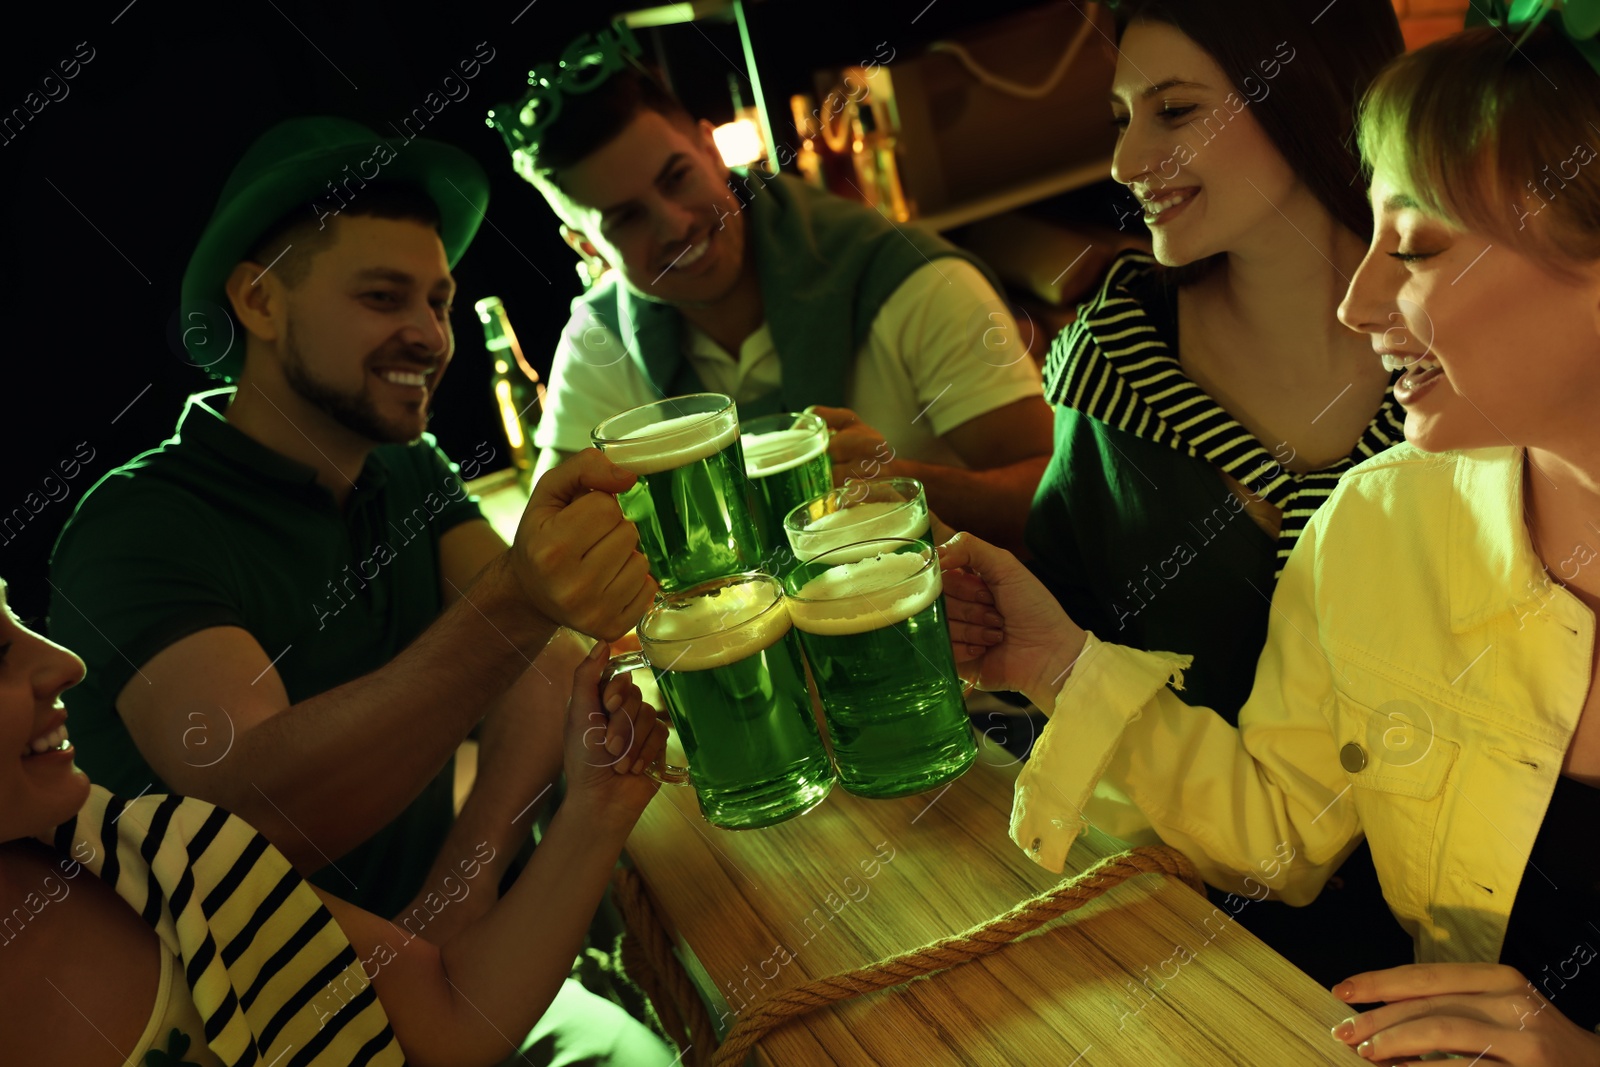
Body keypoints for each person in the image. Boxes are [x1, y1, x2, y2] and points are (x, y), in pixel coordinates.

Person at [942, 15, 1600, 1063]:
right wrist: (1054, 662)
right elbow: (1282, 826)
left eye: (1417, 246)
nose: (1358, 297)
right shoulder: (1378, 522)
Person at [47, 118, 655, 946]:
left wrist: (447, 917)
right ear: (258, 300)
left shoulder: (404, 471)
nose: (431, 336)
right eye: (382, 297)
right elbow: (261, 812)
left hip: (438, 978)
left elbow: (542, 666)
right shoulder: (136, 526)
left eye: (437, 301)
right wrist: (519, 601)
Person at [1020, 0, 1412, 984]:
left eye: (1174, 110)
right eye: (1120, 118)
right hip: (1170, 934)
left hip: (1473, 950)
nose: (1123, 162)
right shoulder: (1116, 363)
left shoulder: (1459, 359)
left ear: (1308, 95)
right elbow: (1048, 662)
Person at [0, 578, 677, 1065]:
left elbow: (452, 1013)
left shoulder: (167, 849)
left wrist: (598, 804)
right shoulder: (139, 536)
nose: (64, 663)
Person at [489, 27, 1053, 550]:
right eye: (627, 218)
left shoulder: (911, 279)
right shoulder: (598, 338)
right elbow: (556, 545)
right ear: (587, 248)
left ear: (713, 152)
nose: (676, 224)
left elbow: (1058, 498)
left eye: (677, 177)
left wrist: (898, 484)